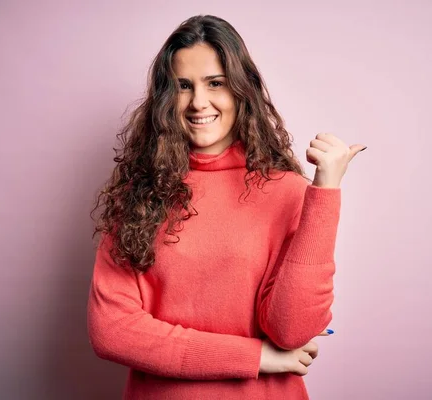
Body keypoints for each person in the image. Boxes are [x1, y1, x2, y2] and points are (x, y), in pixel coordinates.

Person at [87, 14, 366, 400]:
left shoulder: (288, 191)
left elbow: (291, 329)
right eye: (183, 86)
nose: (198, 102)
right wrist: (254, 356)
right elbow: (113, 332)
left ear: (240, 91)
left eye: (215, 83)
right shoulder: (138, 197)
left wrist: (325, 190)